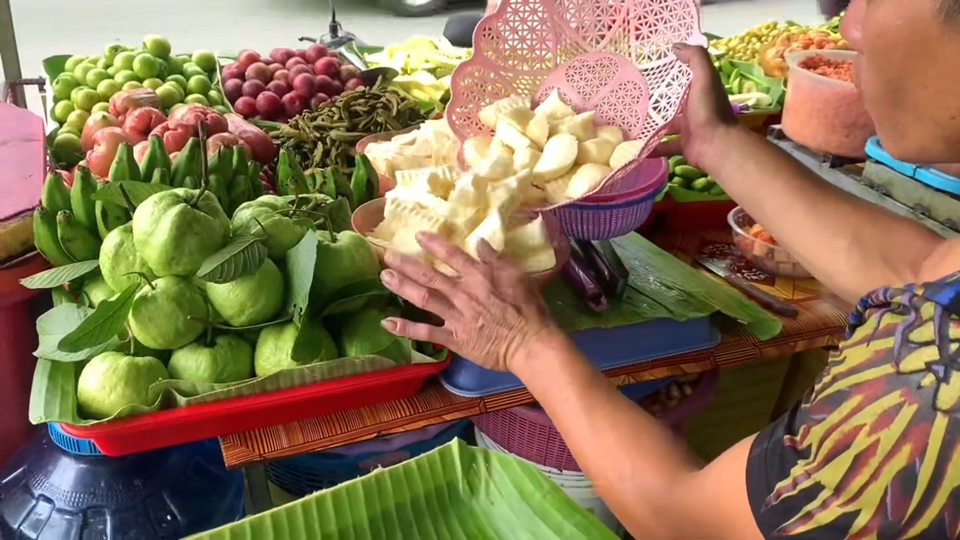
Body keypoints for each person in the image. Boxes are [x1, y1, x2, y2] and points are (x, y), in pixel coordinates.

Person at [380, 0, 960, 537]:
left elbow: (697, 523)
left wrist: (524, 344)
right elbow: (919, 269)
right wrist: (716, 143)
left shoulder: (935, 389)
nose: (851, 25)